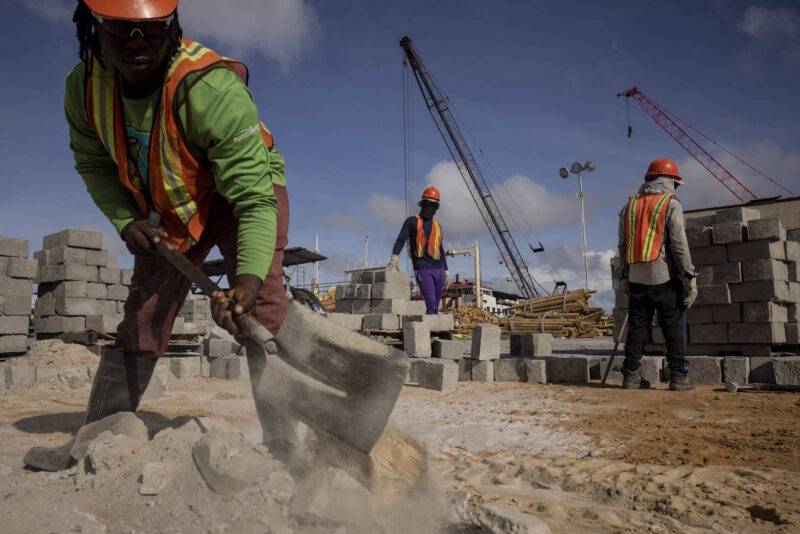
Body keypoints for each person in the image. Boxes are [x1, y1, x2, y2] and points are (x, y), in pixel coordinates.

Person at [63, 0, 296, 454]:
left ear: (172, 27)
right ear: (94, 26)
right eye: (121, 28)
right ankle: (96, 441)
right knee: (143, 315)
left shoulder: (211, 89)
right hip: (171, 204)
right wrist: (126, 220)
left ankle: (284, 449)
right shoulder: (85, 89)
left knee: (263, 309)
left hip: (239, 195)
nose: (137, 42)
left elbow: (253, 201)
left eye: (151, 29)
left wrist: (247, 281)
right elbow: (94, 165)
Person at [618, 158, 697, 391]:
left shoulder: (630, 206)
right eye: (676, 184)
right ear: (669, 181)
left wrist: (624, 276)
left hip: (636, 277)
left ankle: (630, 376)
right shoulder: (670, 204)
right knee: (673, 327)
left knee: (637, 327)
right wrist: (689, 275)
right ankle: (678, 377)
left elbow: (622, 245)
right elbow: (679, 243)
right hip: (664, 276)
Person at [388, 187, 449, 314]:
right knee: (431, 305)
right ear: (422, 204)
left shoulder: (438, 226)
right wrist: (395, 255)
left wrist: (446, 270)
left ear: (436, 208)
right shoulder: (412, 221)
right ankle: (429, 325)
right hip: (423, 269)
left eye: (433, 206)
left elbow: (440, 248)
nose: (430, 208)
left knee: (436, 307)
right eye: (427, 204)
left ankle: (433, 326)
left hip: (440, 270)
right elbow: (401, 239)